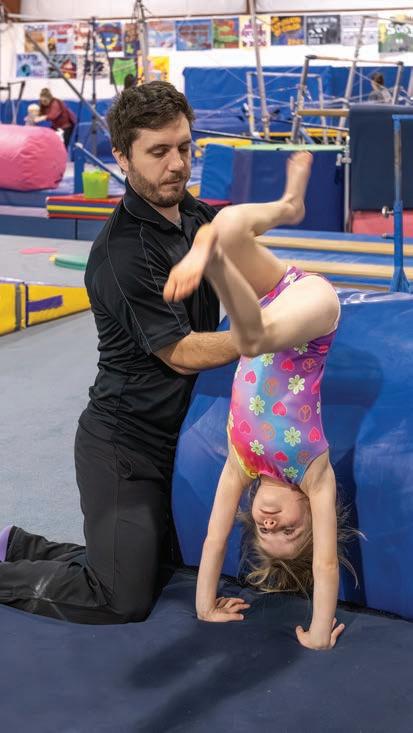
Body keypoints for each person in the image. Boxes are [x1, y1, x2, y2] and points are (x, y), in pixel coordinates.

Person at [0, 81, 239, 624]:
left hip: (178, 436)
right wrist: (262, 337)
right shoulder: (122, 252)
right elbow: (181, 353)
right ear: (122, 156)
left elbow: (246, 259)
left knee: (153, 566)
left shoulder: (195, 217)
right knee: (121, 597)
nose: (177, 164)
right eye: (159, 151)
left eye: (185, 147)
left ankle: (15, 543)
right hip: (124, 444)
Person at [164, 152, 347, 651]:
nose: (270, 525)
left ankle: (287, 206)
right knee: (252, 337)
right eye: (288, 532)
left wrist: (205, 605)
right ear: (308, 515)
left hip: (271, 301)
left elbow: (214, 539)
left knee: (224, 225)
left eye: (265, 534)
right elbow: (326, 563)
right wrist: (318, 632)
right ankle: (215, 258)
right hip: (312, 316)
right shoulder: (314, 474)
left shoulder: (240, 464)